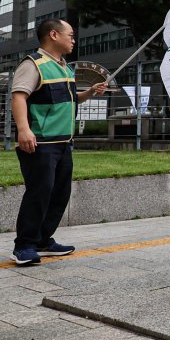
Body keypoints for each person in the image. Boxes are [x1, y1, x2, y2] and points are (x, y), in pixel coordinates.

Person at [9, 19, 107, 266]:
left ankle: (43, 240)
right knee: (39, 193)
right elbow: (19, 96)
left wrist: (89, 92)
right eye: (70, 35)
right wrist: (24, 130)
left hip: (64, 143)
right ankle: (24, 246)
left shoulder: (64, 67)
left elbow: (70, 100)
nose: (73, 40)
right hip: (40, 143)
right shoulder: (33, 65)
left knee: (59, 194)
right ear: (53, 35)